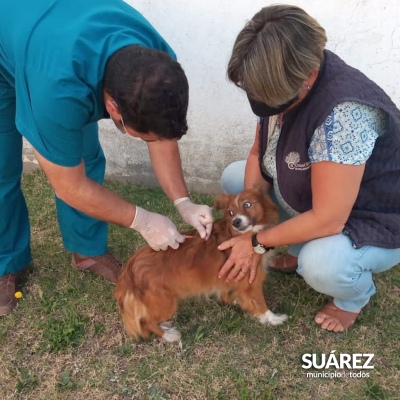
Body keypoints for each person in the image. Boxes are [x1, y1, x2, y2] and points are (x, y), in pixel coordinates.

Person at [0, 0, 213, 316]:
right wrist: (142, 220)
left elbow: (162, 135)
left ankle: (87, 250)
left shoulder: (157, 62)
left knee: (86, 154)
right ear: (113, 107)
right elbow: (69, 186)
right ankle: (6, 261)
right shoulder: (58, 91)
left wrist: (183, 202)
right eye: (143, 136)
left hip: (58, 35)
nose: (151, 141)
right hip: (20, 43)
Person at [218, 4, 400, 332]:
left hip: (371, 214)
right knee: (235, 182)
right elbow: (258, 152)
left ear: (308, 77)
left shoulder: (344, 115)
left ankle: (353, 298)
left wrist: (257, 243)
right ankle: (299, 248)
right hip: (318, 193)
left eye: (270, 98)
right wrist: (253, 220)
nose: (262, 104)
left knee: (322, 266)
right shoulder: (285, 78)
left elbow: (330, 218)